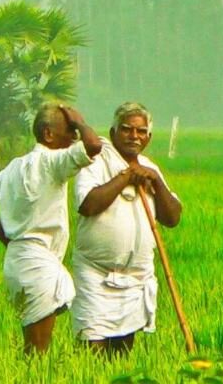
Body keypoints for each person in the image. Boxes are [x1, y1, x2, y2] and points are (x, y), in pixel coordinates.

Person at [0, 103, 102, 354]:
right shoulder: (52, 161)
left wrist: (7, 238)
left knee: (34, 346)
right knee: (37, 352)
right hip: (39, 265)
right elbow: (93, 146)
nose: (74, 136)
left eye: (75, 130)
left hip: (18, 259)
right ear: (48, 134)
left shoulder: (15, 166)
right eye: (69, 130)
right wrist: (80, 121)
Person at [71, 101, 182, 355]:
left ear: (149, 137)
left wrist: (154, 181)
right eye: (127, 129)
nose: (134, 136)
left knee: (122, 353)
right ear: (113, 133)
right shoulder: (97, 162)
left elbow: (172, 217)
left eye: (141, 131)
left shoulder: (150, 167)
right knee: (92, 348)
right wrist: (126, 177)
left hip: (135, 277)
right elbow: (88, 205)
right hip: (95, 274)